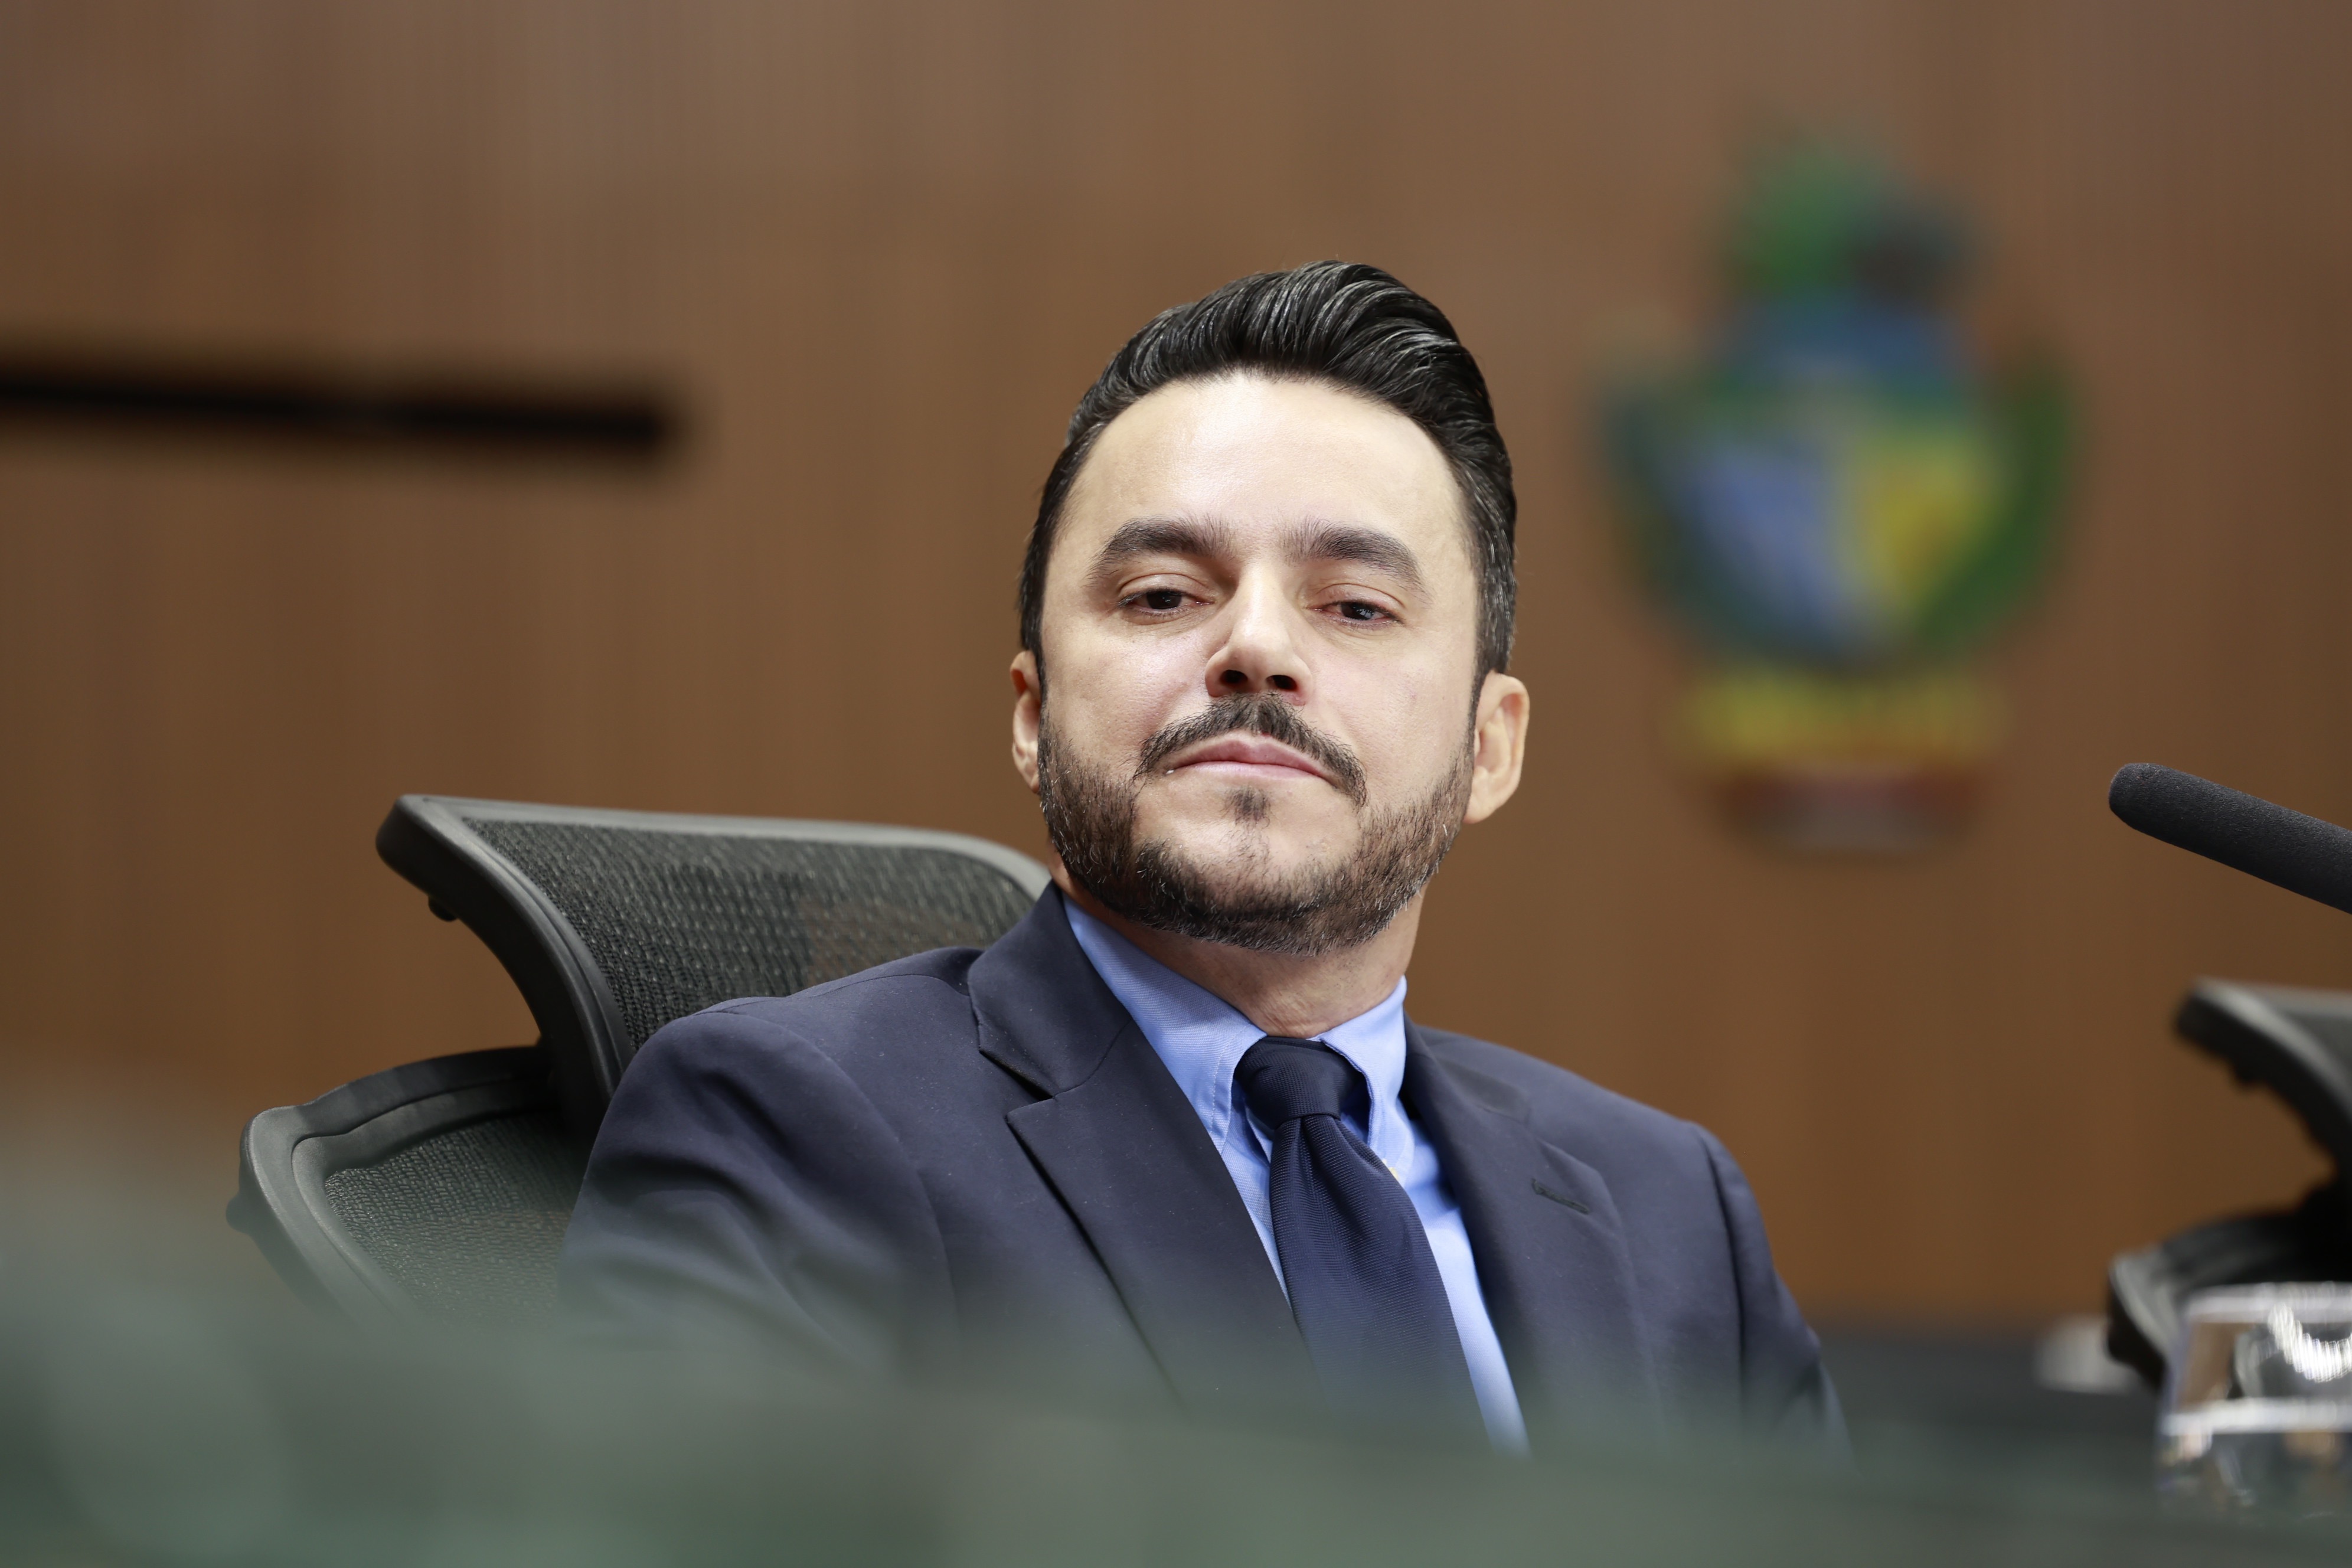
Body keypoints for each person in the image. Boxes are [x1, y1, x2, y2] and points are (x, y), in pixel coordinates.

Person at [559, 262, 1842, 1457]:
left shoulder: (1675, 1216)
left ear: (1489, 745)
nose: (1256, 649)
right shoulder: (785, 1129)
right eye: (1164, 595)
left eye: (1357, 606)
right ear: (1033, 713)